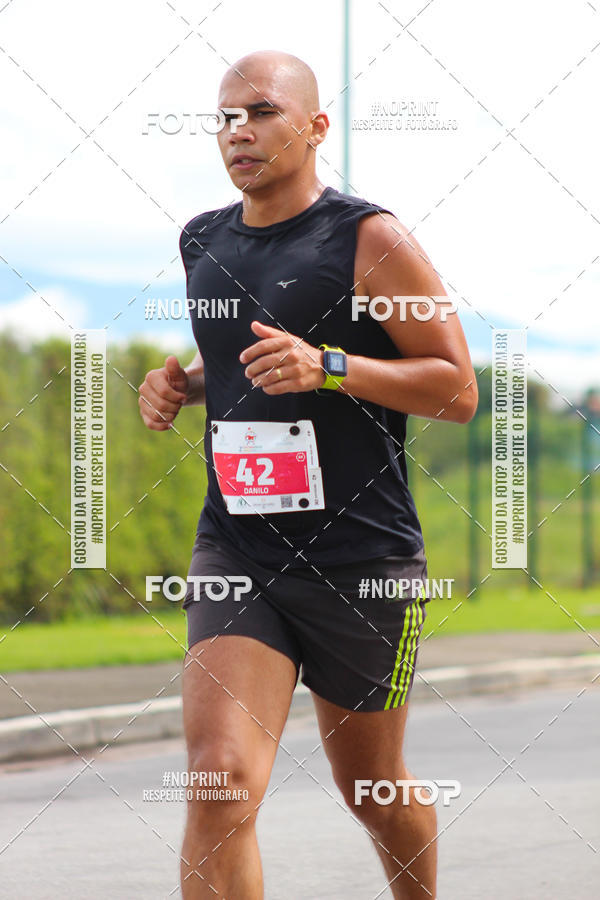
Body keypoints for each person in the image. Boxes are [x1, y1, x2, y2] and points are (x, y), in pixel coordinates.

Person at [138, 49, 477, 900]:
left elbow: (458, 388)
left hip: (361, 560)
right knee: (220, 780)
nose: (238, 131)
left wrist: (332, 365)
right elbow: (244, 362)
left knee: (373, 792)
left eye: (260, 112)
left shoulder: (369, 237)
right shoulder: (202, 240)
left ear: (317, 127)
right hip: (239, 550)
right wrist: (185, 386)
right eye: (225, 116)